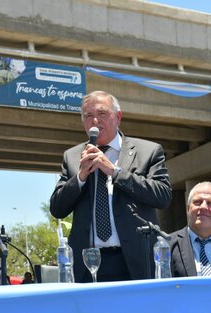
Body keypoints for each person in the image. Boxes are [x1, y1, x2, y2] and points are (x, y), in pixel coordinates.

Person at [50, 90, 172, 282]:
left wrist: (115, 171)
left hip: (133, 260)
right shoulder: (72, 156)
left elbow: (163, 196)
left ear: (118, 117)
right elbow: (57, 208)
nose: (95, 121)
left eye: (102, 114)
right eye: (88, 116)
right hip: (88, 263)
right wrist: (81, 176)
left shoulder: (148, 151)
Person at [170, 182, 211, 277]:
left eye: (210, 203)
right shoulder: (168, 245)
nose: (203, 207)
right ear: (188, 209)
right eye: (197, 202)